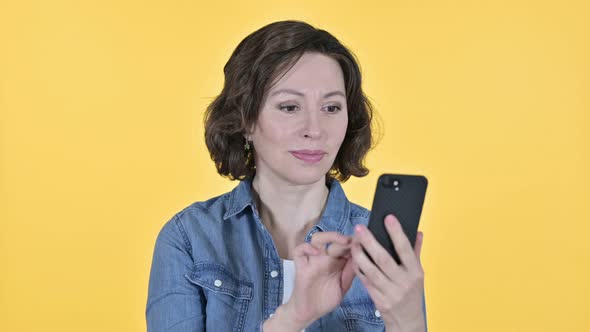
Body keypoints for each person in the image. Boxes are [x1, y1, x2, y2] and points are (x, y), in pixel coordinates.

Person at [146, 20, 427, 332]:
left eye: (332, 107)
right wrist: (293, 317)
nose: (315, 129)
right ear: (246, 120)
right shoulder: (189, 238)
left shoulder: (379, 250)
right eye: (290, 107)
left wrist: (409, 321)